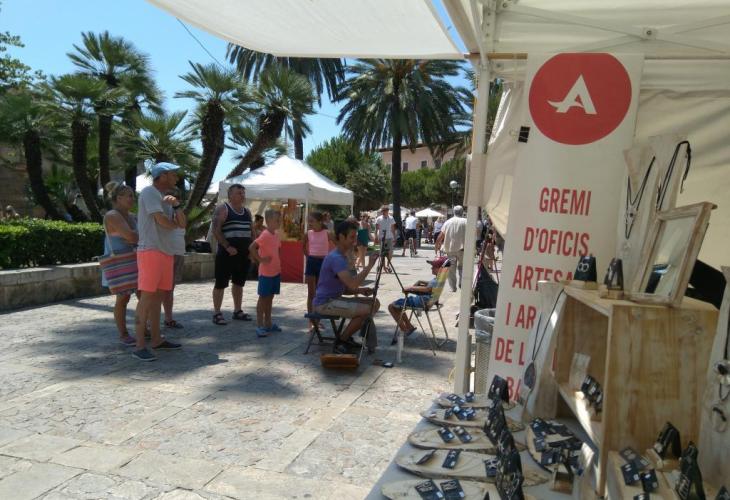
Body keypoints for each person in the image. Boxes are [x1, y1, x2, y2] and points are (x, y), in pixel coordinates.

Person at [133, 162, 186, 361]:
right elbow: (162, 221)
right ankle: (139, 346)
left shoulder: (168, 198)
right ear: (162, 176)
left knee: (158, 298)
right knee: (147, 298)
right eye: (173, 174)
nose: (176, 178)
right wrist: (173, 223)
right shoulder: (149, 192)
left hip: (165, 251)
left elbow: (182, 223)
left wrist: (177, 206)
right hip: (151, 250)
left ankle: (156, 339)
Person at [313, 220, 380, 353]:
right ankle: (342, 341)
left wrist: (360, 290)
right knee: (367, 310)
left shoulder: (341, 257)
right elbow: (352, 283)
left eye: (355, 237)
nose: (354, 241)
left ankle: (349, 338)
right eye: (351, 237)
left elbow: (343, 288)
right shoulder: (336, 258)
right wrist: (369, 266)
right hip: (325, 303)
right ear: (341, 237)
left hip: (334, 299)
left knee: (374, 303)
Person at [211, 184, 254, 326]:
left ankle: (237, 310)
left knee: (239, 283)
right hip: (226, 254)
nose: (242, 195)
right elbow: (216, 230)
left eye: (243, 193)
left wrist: (252, 250)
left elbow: (252, 232)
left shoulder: (247, 212)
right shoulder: (223, 209)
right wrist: (227, 246)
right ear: (230, 195)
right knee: (220, 283)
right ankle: (217, 313)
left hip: (243, 254)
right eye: (239, 193)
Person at [102, 182, 138, 346]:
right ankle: (123, 334)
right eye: (129, 195)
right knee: (123, 298)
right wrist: (139, 235)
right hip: (121, 261)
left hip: (134, 259)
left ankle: (143, 329)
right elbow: (132, 237)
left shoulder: (132, 216)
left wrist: (137, 235)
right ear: (118, 198)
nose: (132, 198)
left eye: (132, 195)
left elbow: (136, 236)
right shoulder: (112, 215)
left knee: (143, 295)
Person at [388, 256, 448, 338]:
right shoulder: (439, 279)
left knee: (391, 306)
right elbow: (431, 286)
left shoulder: (436, 281)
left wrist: (411, 288)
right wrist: (420, 281)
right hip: (425, 300)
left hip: (420, 302)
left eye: (434, 266)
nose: (431, 268)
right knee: (399, 307)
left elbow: (427, 289)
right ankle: (409, 326)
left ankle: (405, 330)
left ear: (440, 269)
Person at [249, 208, 282, 337]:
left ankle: (268, 323)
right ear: (268, 221)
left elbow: (277, 250)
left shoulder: (276, 235)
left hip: (275, 272)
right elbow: (252, 247)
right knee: (263, 298)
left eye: (279, 220)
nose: (279, 222)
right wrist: (261, 260)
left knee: (270, 298)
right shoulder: (265, 234)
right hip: (266, 273)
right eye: (276, 220)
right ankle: (259, 325)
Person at [303, 211, 334, 332]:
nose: (309, 223)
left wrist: (332, 258)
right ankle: (311, 322)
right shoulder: (308, 233)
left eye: (312, 221)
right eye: (308, 221)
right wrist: (309, 257)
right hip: (312, 262)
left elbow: (338, 245)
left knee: (321, 293)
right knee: (311, 293)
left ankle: (317, 320)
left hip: (323, 263)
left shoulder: (327, 233)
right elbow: (303, 246)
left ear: (320, 222)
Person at [163, 187, 186, 330]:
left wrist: (176, 207)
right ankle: (150, 321)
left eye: (176, 196)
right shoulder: (160, 211)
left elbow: (182, 225)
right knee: (159, 290)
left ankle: (168, 318)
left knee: (170, 289)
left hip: (178, 252)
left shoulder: (179, 211)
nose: (173, 198)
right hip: (165, 252)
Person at [436, 205, 467, 292]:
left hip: (450, 250)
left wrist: (437, 246)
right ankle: (462, 283)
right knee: (462, 267)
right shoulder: (466, 221)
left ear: (454, 212)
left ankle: (453, 287)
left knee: (451, 269)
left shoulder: (447, 222)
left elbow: (440, 236)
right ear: (462, 212)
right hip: (462, 249)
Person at [375, 205, 395, 271]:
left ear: (387, 211)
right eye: (382, 211)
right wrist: (376, 237)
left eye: (384, 211)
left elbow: (393, 228)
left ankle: (387, 265)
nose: (383, 212)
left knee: (390, 252)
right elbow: (376, 229)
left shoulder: (391, 218)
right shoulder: (379, 218)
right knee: (382, 253)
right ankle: (383, 266)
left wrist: (394, 237)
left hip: (390, 237)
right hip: (381, 237)